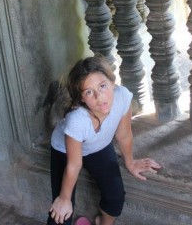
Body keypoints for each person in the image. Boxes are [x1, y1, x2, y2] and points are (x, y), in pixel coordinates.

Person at [47, 56, 162, 225]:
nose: (99, 97)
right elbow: (74, 164)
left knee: (115, 197)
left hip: (97, 147)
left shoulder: (122, 97)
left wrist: (130, 162)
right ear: (81, 99)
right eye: (88, 92)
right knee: (60, 214)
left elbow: (124, 135)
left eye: (102, 86)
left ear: (112, 82)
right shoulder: (77, 120)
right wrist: (64, 199)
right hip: (65, 151)